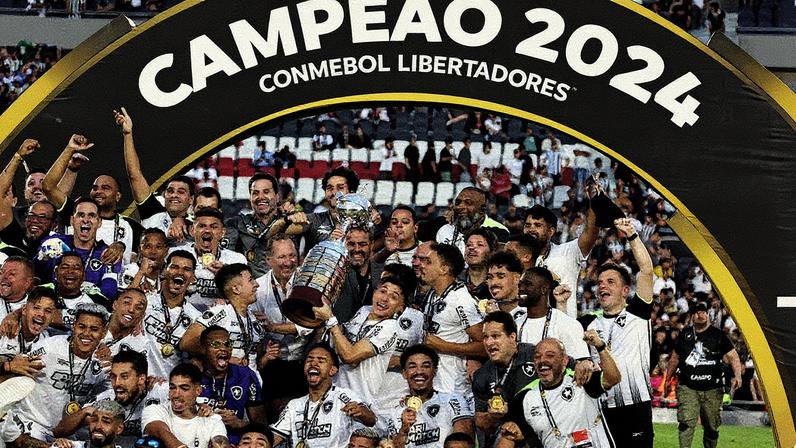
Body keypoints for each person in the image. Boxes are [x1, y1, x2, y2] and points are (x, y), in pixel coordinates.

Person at [578, 218, 655, 447]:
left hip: (636, 406)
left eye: (610, 282)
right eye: (600, 282)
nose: (603, 286)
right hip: (600, 407)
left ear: (625, 290)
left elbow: (647, 270)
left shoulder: (638, 314)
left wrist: (631, 235)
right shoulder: (587, 322)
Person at [0, 303, 110, 447]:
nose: (87, 333)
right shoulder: (48, 348)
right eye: (82, 327)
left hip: (67, 431)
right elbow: (15, 370)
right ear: (74, 326)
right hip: (30, 423)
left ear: (103, 332)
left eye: (94, 329)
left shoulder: (104, 363)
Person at [497, 335, 621, 448]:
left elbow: (613, 378)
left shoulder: (581, 379)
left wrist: (600, 347)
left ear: (564, 361)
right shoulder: (525, 397)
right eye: (537, 357)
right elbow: (510, 437)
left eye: (550, 355)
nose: (542, 361)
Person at [42, 136, 142, 265]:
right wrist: (69, 150)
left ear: (118, 196)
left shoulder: (129, 226)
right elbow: (48, 187)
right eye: (95, 188)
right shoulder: (75, 213)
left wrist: (121, 246)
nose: (98, 191)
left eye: (105, 188)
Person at [312, 277, 406, 408]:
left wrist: (330, 320)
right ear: (374, 293)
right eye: (383, 291)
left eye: (393, 297)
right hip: (332, 394)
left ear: (400, 308)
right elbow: (342, 336)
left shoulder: (390, 327)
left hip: (358, 402)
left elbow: (350, 357)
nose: (384, 298)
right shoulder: (364, 310)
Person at [666, 301, 743, 448]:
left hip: (713, 389)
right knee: (686, 422)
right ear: (691, 317)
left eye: (703, 312)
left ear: (707, 315)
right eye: (696, 313)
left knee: (711, 426)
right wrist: (667, 379)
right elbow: (674, 358)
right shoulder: (684, 334)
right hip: (688, 387)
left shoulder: (718, 335)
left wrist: (738, 375)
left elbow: (733, 356)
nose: (700, 315)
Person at [53, 350, 169, 447]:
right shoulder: (106, 399)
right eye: (113, 377)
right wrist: (84, 411)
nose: (117, 383)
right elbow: (59, 431)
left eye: (124, 377)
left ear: (141, 379)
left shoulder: (160, 392)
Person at [270, 342, 376, 447]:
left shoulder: (342, 396)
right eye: (309, 360)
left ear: (332, 370)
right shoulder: (294, 405)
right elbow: (274, 437)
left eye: (321, 360)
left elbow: (371, 419)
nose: (313, 363)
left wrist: (361, 412)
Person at [116, 108, 194, 243]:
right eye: (170, 191)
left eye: (181, 192)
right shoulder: (152, 212)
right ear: (164, 195)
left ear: (191, 199)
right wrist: (127, 134)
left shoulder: (198, 224)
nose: (174, 195)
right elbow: (134, 174)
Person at [420, 243, 484, 402]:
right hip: (431, 384)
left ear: (444, 269)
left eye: (428, 262)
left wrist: (444, 346)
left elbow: (484, 345)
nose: (422, 266)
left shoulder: (461, 300)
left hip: (452, 389)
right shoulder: (432, 294)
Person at [384, 344, 474, 447]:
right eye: (412, 366)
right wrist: (404, 430)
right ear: (404, 373)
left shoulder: (453, 401)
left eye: (426, 366)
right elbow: (394, 446)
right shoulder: (395, 413)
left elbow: (464, 442)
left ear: (434, 371)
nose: (419, 371)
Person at [34, 198, 122, 299]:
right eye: (81, 215)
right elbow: (35, 275)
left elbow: (108, 294)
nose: (86, 220)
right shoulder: (55, 243)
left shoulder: (108, 253)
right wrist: (42, 258)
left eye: (92, 215)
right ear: (72, 220)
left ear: (99, 222)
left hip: (90, 310)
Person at [181, 264, 265, 370]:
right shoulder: (219, 314)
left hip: (250, 381)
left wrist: (267, 357)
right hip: (224, 380)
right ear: (236, 289)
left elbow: (256, 359)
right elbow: (186, 343)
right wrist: (223, 357)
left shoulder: (254, 319)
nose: (256, 284)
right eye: (251, 280)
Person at [472, 312, 538, 444]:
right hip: (506, 431)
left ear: (512, 337)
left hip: (540, 423)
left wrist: (584, 364)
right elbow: (482, 424)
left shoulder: (535, 355)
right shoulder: (481, 376)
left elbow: (568, 367)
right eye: (485, 337)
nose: (489, 342)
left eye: (495, 336)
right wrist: (492, 416)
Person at [523, 204, 598, 317]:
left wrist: (594, 200)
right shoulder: (515, 258)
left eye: (538, 225)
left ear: (551, 231)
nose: (531, 229)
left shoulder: (568, 252)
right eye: (528, 225)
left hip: (563, 329)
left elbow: (591, 233)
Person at [197, 326, 267, 445]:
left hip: (234, 443)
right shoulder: (193, 375)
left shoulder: (246, 375)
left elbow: (261, 424)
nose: (224, 349)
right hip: (199, 440)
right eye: (216, 344)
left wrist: (240, 423)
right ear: (204, 349)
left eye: (228, 344)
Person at [173, 207, 247, 310]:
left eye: (214, 227)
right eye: (202, 226)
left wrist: (225, 276)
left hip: (221, 316)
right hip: (184, 313)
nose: (207, 230)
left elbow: (244, 297)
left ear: (223, 232)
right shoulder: (177, 255)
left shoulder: (236, 261)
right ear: (192, 230)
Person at [142, 250, 202, 378]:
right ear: (164, 271)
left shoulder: (196, 318)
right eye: (174, 267)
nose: (180, 272)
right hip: (139, 381)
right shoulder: (145, 302)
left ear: (193, 277)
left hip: (170, 387)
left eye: (187, 269)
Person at [142, 363, 229, 448]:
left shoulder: (212, 419)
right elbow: (158, 430)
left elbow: (221, 443)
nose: (176, 395)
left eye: (184, 389)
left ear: (198, 391)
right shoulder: (155, 410)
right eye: (172, 388)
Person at [224, 172, 286, 278]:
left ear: (277, 197)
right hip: (251, 290)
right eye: (255, 193)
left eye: (266, 192)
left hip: (286, 290)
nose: (260, 197)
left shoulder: (290, 222)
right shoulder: (238, 223)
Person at [436, 188, 509, 255]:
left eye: (468, 203)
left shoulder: (499, 231)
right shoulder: (444, 227)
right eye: (458, 202)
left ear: (482, 210)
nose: (460, 207)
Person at [53, 399, 127, 448]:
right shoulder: (68, 446)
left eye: (106, 422)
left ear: (119, 429)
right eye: (94, 420)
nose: (98, 426)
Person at [119, 228, 169, 293]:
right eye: (148, 246)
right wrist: (140, 273)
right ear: (139, 250)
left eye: (158, 247)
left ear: (166, 251)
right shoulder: (127, 271)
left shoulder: (166, 279)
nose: (153, 251)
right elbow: (123, 299)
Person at [460, 228, 497, 303]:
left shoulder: (498, 283)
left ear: (492, 252)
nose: (471, 248)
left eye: (479, 245)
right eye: (468, 245)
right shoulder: (455, 280)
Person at [0, 256, 35, 321]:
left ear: (27, 283)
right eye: (1, 272)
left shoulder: (35, 307)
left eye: (12, 274)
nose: (4, 277)